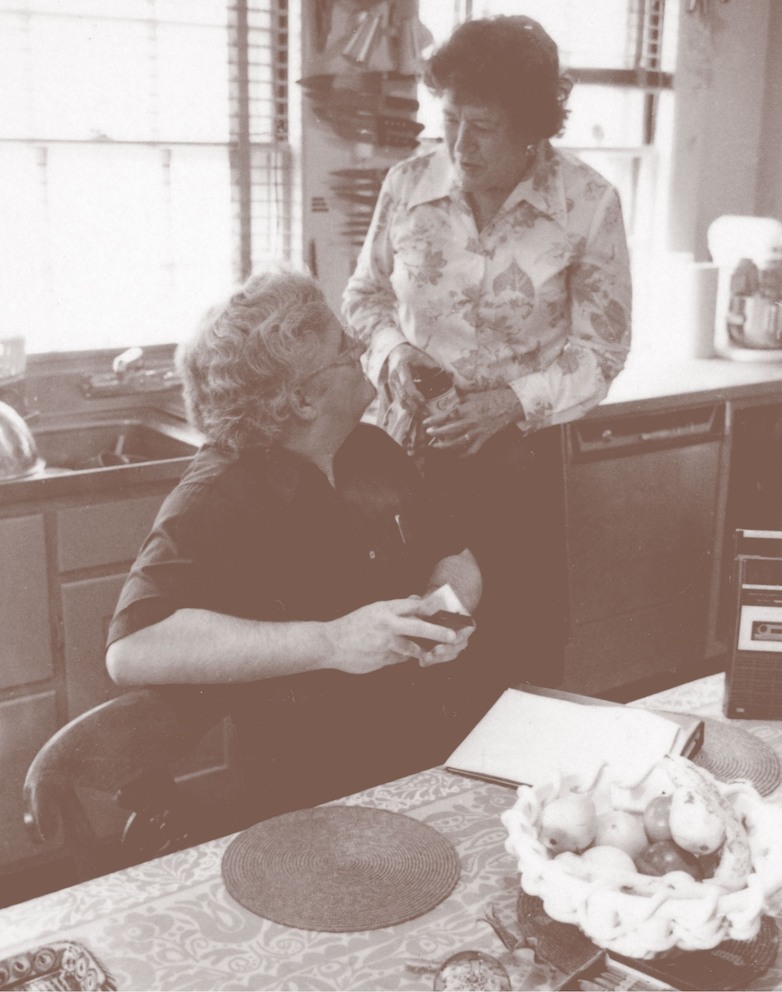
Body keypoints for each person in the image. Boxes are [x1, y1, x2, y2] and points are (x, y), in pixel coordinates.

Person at [106, 268, 481, 824]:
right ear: (303, 399)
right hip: (306, 795)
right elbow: (132, 649)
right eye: (342, 348)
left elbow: (455, 557)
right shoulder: (218, 493)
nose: (361, 347)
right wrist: (330, 642)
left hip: (427, 755)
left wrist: (443, 612)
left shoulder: (371, 447)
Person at [343, 15, 632, 703]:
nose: (461, 145)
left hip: (516, 465)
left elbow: (604, 347)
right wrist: (393, 356)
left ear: (532, 124)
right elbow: (363, 296)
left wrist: (510, 402)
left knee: (511, 656)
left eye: (485, 127)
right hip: (403, 459)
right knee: (408, 655)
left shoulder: (586, 204)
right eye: (449, 120)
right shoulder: (408, 184)